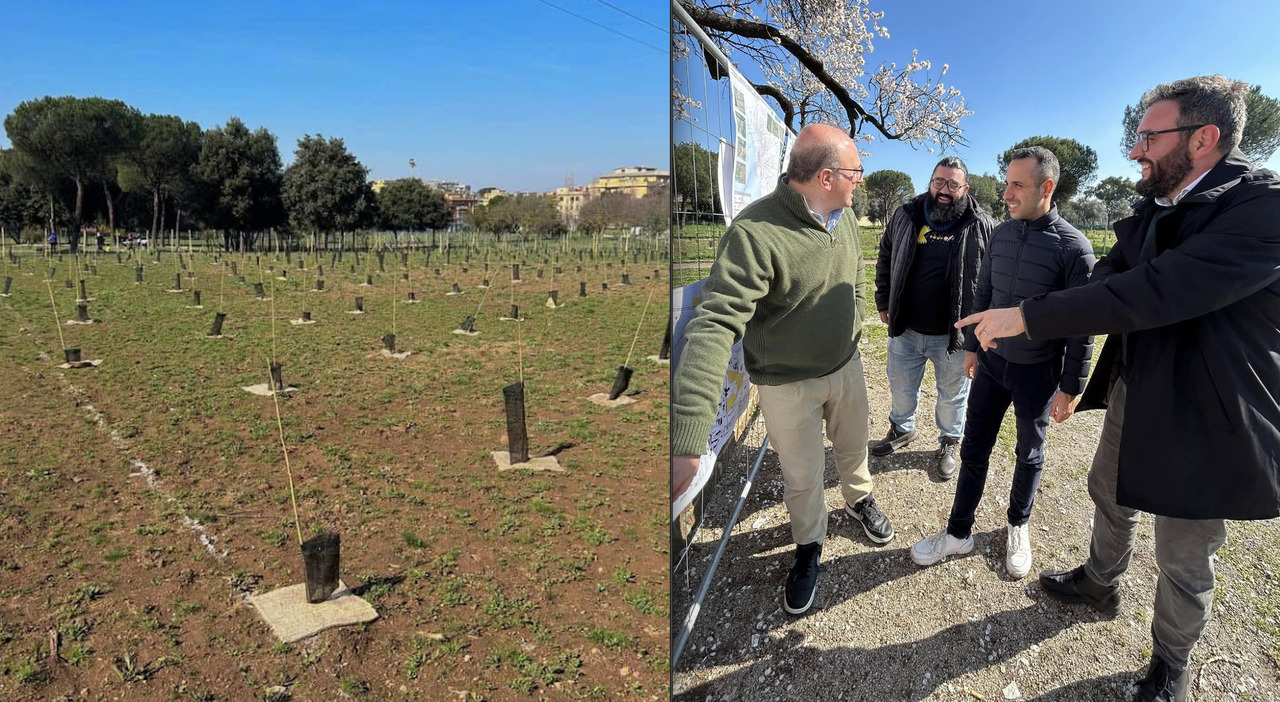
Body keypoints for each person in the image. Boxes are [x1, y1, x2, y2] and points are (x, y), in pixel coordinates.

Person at [959, 75, 1280, 702]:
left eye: (1147, 137)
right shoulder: (1155, 205)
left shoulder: (1261, 210)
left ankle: (1170, 667)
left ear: (1204, 139)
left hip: (1209, 406)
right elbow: (1108, 277)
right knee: (1108, 486)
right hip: (1142, 383)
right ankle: (1100, 581)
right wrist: (1036, 311)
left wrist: (1027, 316)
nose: (1134, 150)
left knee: (1184, 551)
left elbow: (1154, 291)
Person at [671, 123, 893, 616]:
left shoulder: (846, 215)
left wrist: (855, 316)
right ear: (828, 176)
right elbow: (713, 325)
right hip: (787, 384)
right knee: (803, 474)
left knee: (854, 445)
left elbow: (855, 272)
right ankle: (809, 546)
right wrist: (688, 438)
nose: (862, 180)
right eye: (856, 172)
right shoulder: (754, 233)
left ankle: (859, 500)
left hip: (847, 366)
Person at [911, 146, 1095, 580]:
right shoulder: (1002, 233)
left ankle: (1018, 525)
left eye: (1018, 185)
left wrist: (1071, 388)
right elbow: (985, 292)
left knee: (1029, 453)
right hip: (993, 366)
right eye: (1007, 182)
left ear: (1046, 188)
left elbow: (1081, 329)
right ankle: (959, 533)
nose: (1007, 193)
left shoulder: (1075, 249)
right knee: (974, 449)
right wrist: (973, 346)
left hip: (1039, 374)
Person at [871, 156, 995, 478]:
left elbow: (994, 276)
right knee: (900, 386)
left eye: (953, 184)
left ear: (965, 189)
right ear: (930, 182)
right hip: (906, 330)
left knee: (952, 396)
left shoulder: (981, 224)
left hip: (953, 337)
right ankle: (902, 429)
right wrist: (883, 299)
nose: (944, 190)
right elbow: (885, 257)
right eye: (939, 181)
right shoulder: (906, 215)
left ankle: (949, 441)